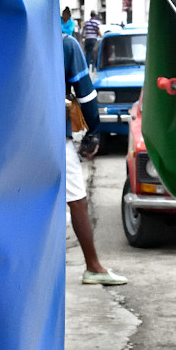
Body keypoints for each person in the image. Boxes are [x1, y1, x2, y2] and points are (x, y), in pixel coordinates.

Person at [63, 30, 128, 285]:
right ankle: (93, 266)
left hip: (13, 134)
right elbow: (86, 94)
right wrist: (94, 130)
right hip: (52, 134)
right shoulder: (65, 44)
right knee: (77, 198)